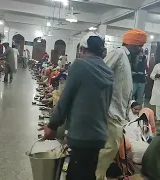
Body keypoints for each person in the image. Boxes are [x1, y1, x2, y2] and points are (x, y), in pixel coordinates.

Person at [39, 32, 114, 180]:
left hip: (82, 134)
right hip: (99, 135)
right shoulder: (109, 72)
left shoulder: (80, 65)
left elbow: (65, 99)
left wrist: (53, 125)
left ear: (83, 49)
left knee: (76, 174)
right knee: (87, 173)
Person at [96, 28, 147, 180]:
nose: (140, 50)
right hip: (111, 111)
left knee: (110, 149)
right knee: (108, 148)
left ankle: (99, 175)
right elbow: (100, 72)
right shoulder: (118, 53)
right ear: (131, 44)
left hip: (118, 113)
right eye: (139, 46)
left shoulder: (125, 58)